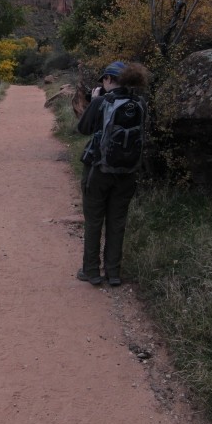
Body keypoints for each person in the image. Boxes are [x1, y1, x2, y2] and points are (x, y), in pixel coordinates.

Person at [75, 60, 150, 287]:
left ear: (108, 79)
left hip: (99, 169)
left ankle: (91, 271)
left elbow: (83, 129)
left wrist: (94, 100)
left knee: (94, 220)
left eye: (104, 80)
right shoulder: (140, 103)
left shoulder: (102, 101)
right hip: (128, 171)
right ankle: (113, 273)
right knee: (117, 221)